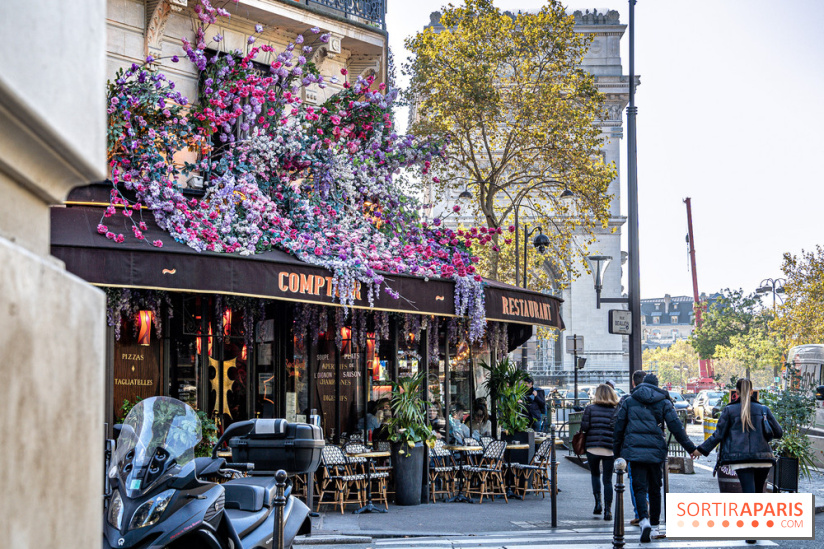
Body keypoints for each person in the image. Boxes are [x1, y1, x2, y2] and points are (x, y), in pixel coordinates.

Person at [693, 378, 782, 544]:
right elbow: (778, 432)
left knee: (748, 492)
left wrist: (701, 449)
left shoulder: (729, 410)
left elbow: (718, 435)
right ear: (752, 390)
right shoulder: (763, 409)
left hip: (740, 459)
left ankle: (751, 532)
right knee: (757, 493)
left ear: (737, 392)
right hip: (763, 458)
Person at [614, 373, 697, 543]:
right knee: (655, 488)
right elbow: (676, 427)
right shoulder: (664, 401)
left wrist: (618, 454)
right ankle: (654, 526)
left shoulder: (630, 400)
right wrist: (691, 448)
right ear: (657, 386)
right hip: (656, 451)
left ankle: (643, 519)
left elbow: (619, 428)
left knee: (639, 487)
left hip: (634, 450)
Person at [581, 384, 619, 521]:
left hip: (593, 446)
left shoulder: (590, 408)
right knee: (608, 480)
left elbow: (584, 427)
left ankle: (598, 503)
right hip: (609, 447)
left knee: (595, 474)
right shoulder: (616, 410)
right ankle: (608, 510)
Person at [618, 369, 648, 527]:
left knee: (634, 480)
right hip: (653, 448)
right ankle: (648, 510)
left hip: (633, 446)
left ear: (633, 382)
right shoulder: (657, 399)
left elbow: (618, 424)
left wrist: (617, 450)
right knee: (652, 480)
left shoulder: (626, 400)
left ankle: (639, 513)